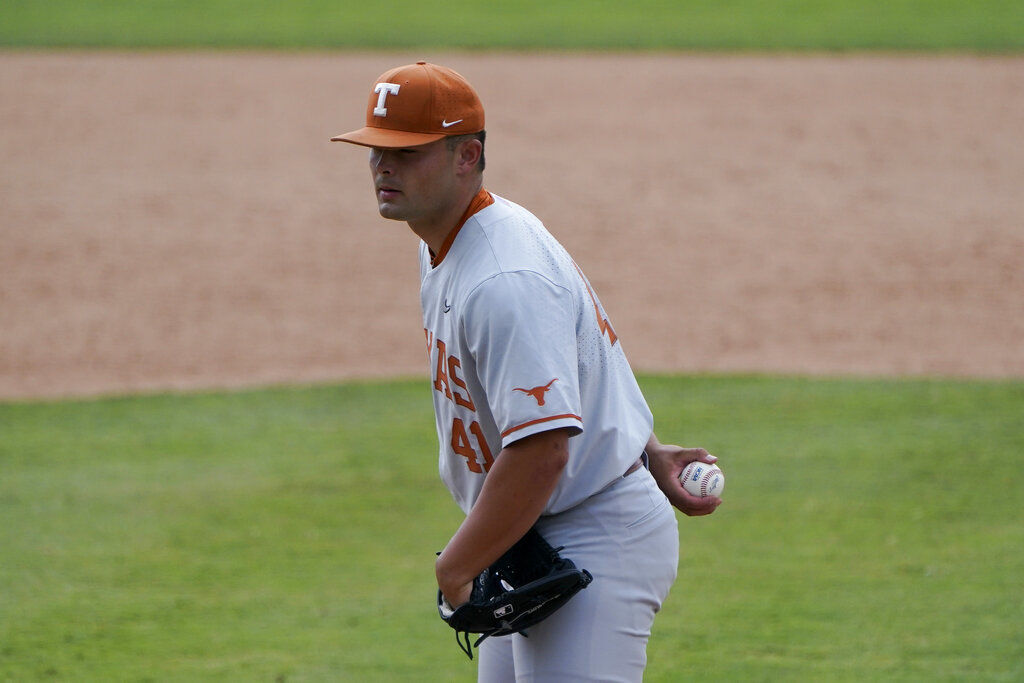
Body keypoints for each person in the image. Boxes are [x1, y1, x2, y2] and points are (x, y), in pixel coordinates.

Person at [332, 61, 722, 682]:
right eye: (377, 149)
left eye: (407, 152)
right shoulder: (448, 239)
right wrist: (647, 450)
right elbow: (585, 360)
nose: (383, 166)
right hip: (528, 533)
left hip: (594, 536)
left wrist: (454, 567)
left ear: (467, 155)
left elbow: (542, 451)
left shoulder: (504, 278)